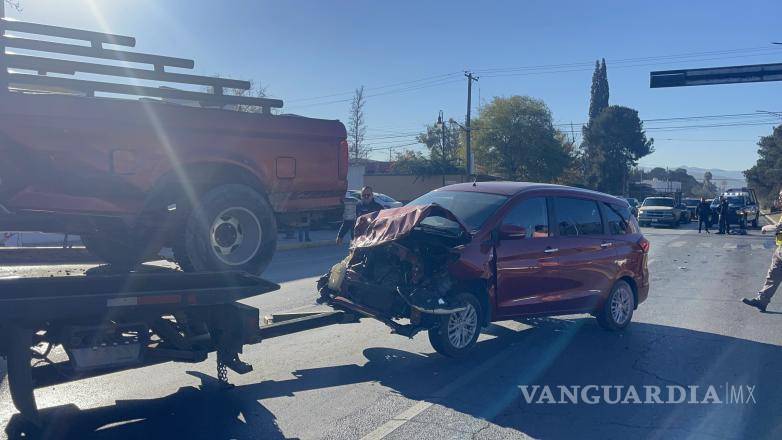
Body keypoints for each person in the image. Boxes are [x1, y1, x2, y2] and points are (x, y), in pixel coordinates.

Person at [743, 189, 782, 312]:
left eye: (781, 196)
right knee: (773, 276)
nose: (780, 198)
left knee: (773, 275)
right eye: (779, 196)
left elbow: (779, 227)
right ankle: (762, 301)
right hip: (780, 251)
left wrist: (766, 227)